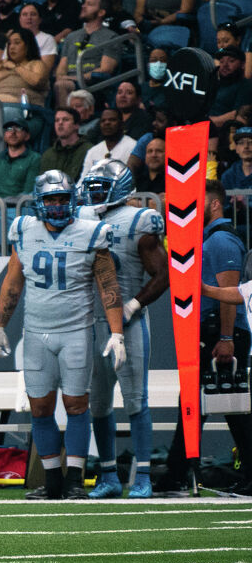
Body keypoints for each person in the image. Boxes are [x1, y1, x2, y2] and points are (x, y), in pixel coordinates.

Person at [0, 171, 127, 499]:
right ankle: (52, 481)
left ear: (73, 199)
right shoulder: (24, 230)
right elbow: (13, 282)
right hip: (36, 333)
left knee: (78, 404)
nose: (56, 205)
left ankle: (75, 479)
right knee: (39, 407)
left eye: (62, 198)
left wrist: (117, 333)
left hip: (76, 331)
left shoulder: (91, 232)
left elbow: (108, 285)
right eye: (50, 199)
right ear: (39, 201)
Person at [78, 160, 167, 498]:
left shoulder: (138, 220)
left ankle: (142, 476)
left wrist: (133, 304)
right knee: (98, 405)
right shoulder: (82, 220)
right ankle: (109, 476)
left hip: (128, 323)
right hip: (92, 324)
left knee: (135, 401)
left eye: (102, 186)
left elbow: (163, 275)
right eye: (93, 185)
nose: (95, 192)